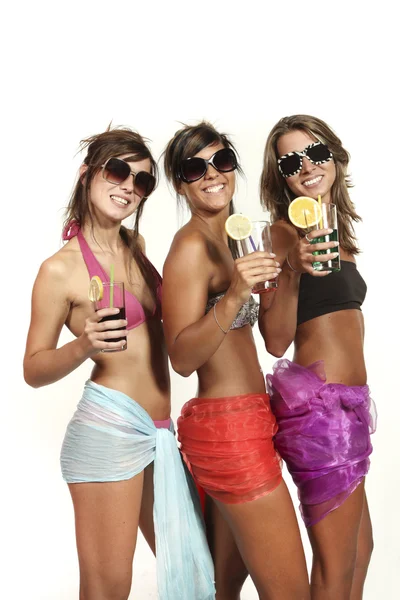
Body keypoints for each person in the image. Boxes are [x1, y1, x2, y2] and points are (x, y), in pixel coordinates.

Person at [23, 127, 215, 600]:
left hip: (160, 432)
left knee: (194, 566)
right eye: (118, 171)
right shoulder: (60, 268)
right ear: (88, 175)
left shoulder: (138, 248)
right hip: (109, 429)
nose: (129, 185)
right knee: (109, 587)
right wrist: (83, 346)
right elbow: (33, 367)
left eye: (143, 181)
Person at [162, 121, 310, 600]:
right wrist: (235, 295)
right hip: (229, 430)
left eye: (221, 161)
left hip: (251, 419)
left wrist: (288, 270)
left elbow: (274, 342)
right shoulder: (188, 247)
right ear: (180, 182)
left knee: (222, 588)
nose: (212, 174)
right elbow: (182, 358)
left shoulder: (236, 239)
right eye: (194, 167)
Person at [259, 114, 377, 599]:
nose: (307, 165)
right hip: (320, 411)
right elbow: (274, 340)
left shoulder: (339, 234)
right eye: (291, 160)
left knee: (360, 552)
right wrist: (291, 266)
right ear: (281, 177)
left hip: (350, 405)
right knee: (335, 564)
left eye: (316, 152)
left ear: (335, 156)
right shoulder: (284, 235)